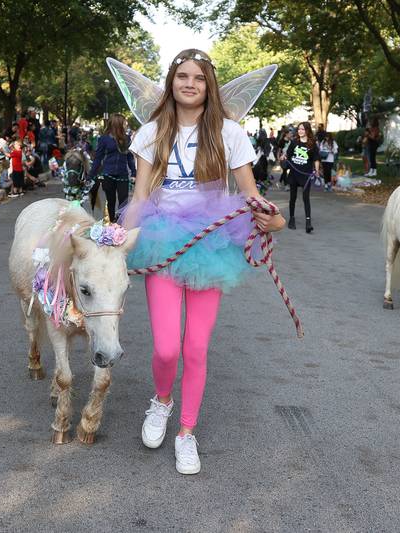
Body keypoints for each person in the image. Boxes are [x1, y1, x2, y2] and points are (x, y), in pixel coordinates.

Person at [122, 49, 284, 475]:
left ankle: (186, 433)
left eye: (198, 77)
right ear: (171, 83)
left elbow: (250, 191)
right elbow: (140, 195)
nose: (190, 83)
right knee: (164, 347)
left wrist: (272, 218)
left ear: (209, 84)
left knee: (195, 347)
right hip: (160, 241)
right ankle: (161, 401)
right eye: (182, 76)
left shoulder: (229, 133)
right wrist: (122, 240)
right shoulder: (151, 131)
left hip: (211, 244)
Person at [88, 113, 136, 222]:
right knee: (111, 201)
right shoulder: (104, 139)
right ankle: (112, 223)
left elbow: (130, 158)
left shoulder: (127, 139)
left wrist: (134, 173)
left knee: (124, 202)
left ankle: (121, 224)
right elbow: (98, 158)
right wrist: (91, 175)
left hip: (123, 174)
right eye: (124, 123)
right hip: (108, 174)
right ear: (118, 123)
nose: (125, 125)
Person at [281, 121, 320, 233]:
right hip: (294, 174)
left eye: (302, 129)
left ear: (307, 130)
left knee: (305, 198)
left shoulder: (312, 144)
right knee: (292, 198)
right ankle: (291, 219)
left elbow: (316, 158)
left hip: (305, 175)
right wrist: (283, 157)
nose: (300, 131)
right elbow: (287, 154)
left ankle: (308, 222)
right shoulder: (294, 142)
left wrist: (316, 171)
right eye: (299, 129)